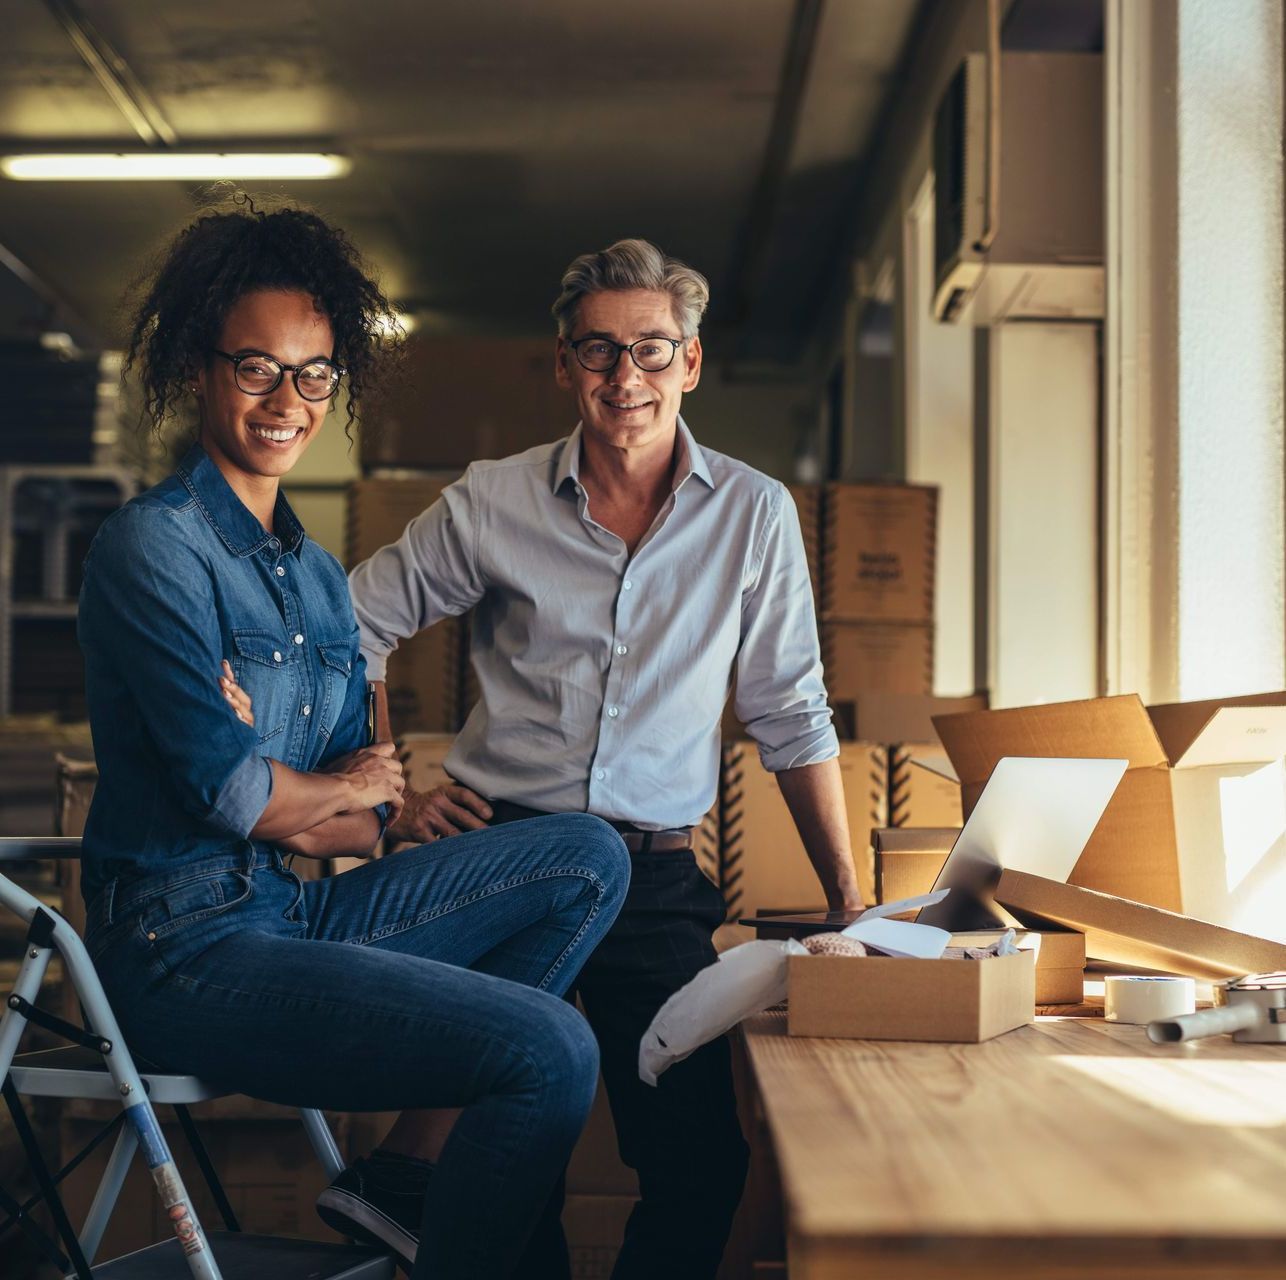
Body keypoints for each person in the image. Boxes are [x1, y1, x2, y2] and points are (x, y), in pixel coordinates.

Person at [76, 196, 631, 1280]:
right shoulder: (154, 550)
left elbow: (359, 825)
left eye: (315, 372)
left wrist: (315, 789)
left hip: (292, 912)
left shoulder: (320, 578)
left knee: (586, 854)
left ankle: (399, 1181)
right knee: (551, 1045)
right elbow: (231, 798)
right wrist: (309, 786)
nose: (289, 400)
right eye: (256, 368)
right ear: (199, 366)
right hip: (182, 949)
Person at [348, 237, 860, 1278]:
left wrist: (849, 896)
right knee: (507, 1161)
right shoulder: (491, 500)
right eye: (596, 351)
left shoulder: (753, 513)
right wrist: (385, 792)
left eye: (649, 348)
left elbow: (789, 711)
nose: (623, 376)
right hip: (503, 858)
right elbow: (351, 622)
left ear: (691, 361)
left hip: (653, 870)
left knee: (700, 1158)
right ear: (561, 364)